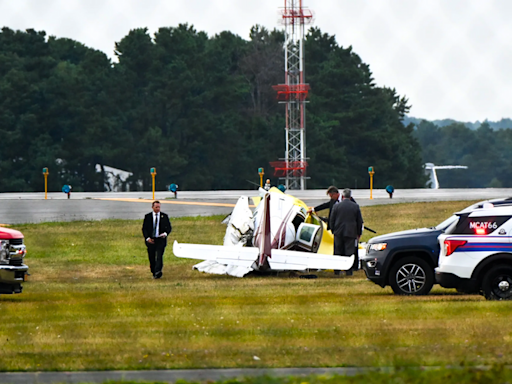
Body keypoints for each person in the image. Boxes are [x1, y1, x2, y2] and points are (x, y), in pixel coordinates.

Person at [329, 188, 363, 276]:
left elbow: (332, 220)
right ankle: (349, 271)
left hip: (338, 232)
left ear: (343, 196)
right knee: (349, 252)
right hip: (351, 232)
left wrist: (333, 230)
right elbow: (359, 221)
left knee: (337, 251)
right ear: (350, 197)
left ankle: (337, 270)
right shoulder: (355, 206)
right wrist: (358, 233)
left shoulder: (336, 206)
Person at [142, 201, 172, 279]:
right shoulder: (148, 216)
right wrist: (147, 238)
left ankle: (158, 272)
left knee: (159, 256)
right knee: (152, 257)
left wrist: (165, 234)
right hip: (151, 240)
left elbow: (169, 227)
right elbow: (144, 228)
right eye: (156, 207)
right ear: (152, 207)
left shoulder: (164, 216)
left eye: (159, 207)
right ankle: (154, 271)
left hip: (160, 240)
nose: (158, 209)